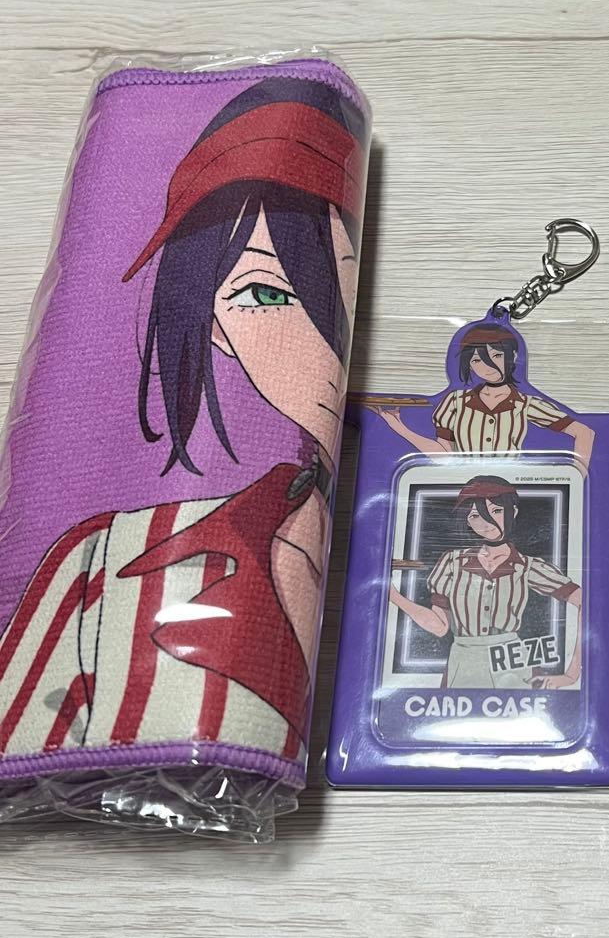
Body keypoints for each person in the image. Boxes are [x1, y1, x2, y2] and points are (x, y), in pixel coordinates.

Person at [0, 76, 365, 763]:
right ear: (215, 323)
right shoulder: (101, 569)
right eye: (263, 294)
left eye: (336, 285)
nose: (321, 343)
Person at [388, 476, 582, 690]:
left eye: (496, 510)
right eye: (475, 515)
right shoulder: (452, 562)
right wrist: (393, 595)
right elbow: (440, 627)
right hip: (464, 663)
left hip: (513, 663)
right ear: (467, 521)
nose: (486, 522)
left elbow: (586, 602)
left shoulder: (527, 566)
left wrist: (571, 675)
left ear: (513, 512)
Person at [377, 322, 595, 471]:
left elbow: (584, 432)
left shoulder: (525, 404)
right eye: (476, 360)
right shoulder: (455, 402)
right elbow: (445, 456)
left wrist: (575, 477)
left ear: (513, 356)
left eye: (497, 355)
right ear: (469, 365)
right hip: (461, 486)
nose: (487, 367)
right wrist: (399, 427)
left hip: (511, 487)